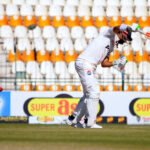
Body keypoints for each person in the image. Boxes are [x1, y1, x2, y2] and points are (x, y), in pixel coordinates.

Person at [66, 24, 133, 128]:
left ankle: (73, 120)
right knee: (94, 91)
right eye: (126, 38)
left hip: (90, 66)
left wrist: (116, 62)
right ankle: (90, 123)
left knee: (88, 94)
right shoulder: (109, 34)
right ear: (122, 33)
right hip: (85, 62)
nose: (125, 41)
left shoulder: (112, 46)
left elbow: (104, 63)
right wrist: (126, 26)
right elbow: (116, 28)